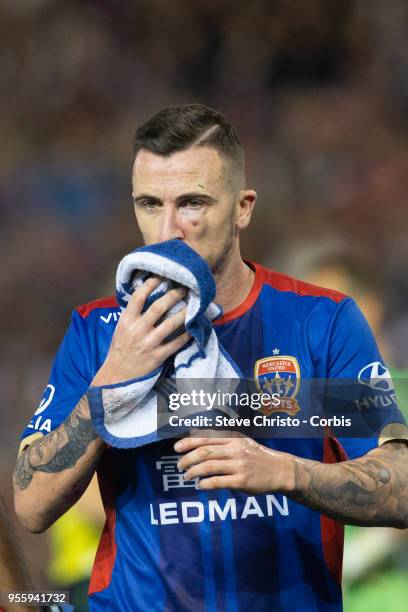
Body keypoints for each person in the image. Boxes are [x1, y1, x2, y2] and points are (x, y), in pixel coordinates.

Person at [13, 104, 408, 611]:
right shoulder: (98, 331)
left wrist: (286, 472)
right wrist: (113, 378)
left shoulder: (321, 320)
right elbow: (31, 506)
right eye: (150, 204)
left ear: (243, 207)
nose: (169, 229)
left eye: (192, 202)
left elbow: (399, 487)